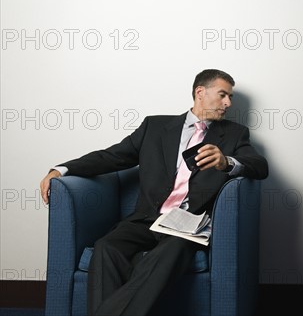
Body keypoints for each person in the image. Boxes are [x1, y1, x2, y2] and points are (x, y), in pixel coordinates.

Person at [40, 69, 268, 316]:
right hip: (146, 218)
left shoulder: (233, 134)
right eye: (223, 95)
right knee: (107, 247)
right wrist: (62, 169)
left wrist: (226, 162)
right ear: (200, 92)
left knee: (168, 253)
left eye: (231, 97)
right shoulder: (155, 126)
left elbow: (260, 166)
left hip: (187, 225)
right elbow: (113, 157)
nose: (228, 103)